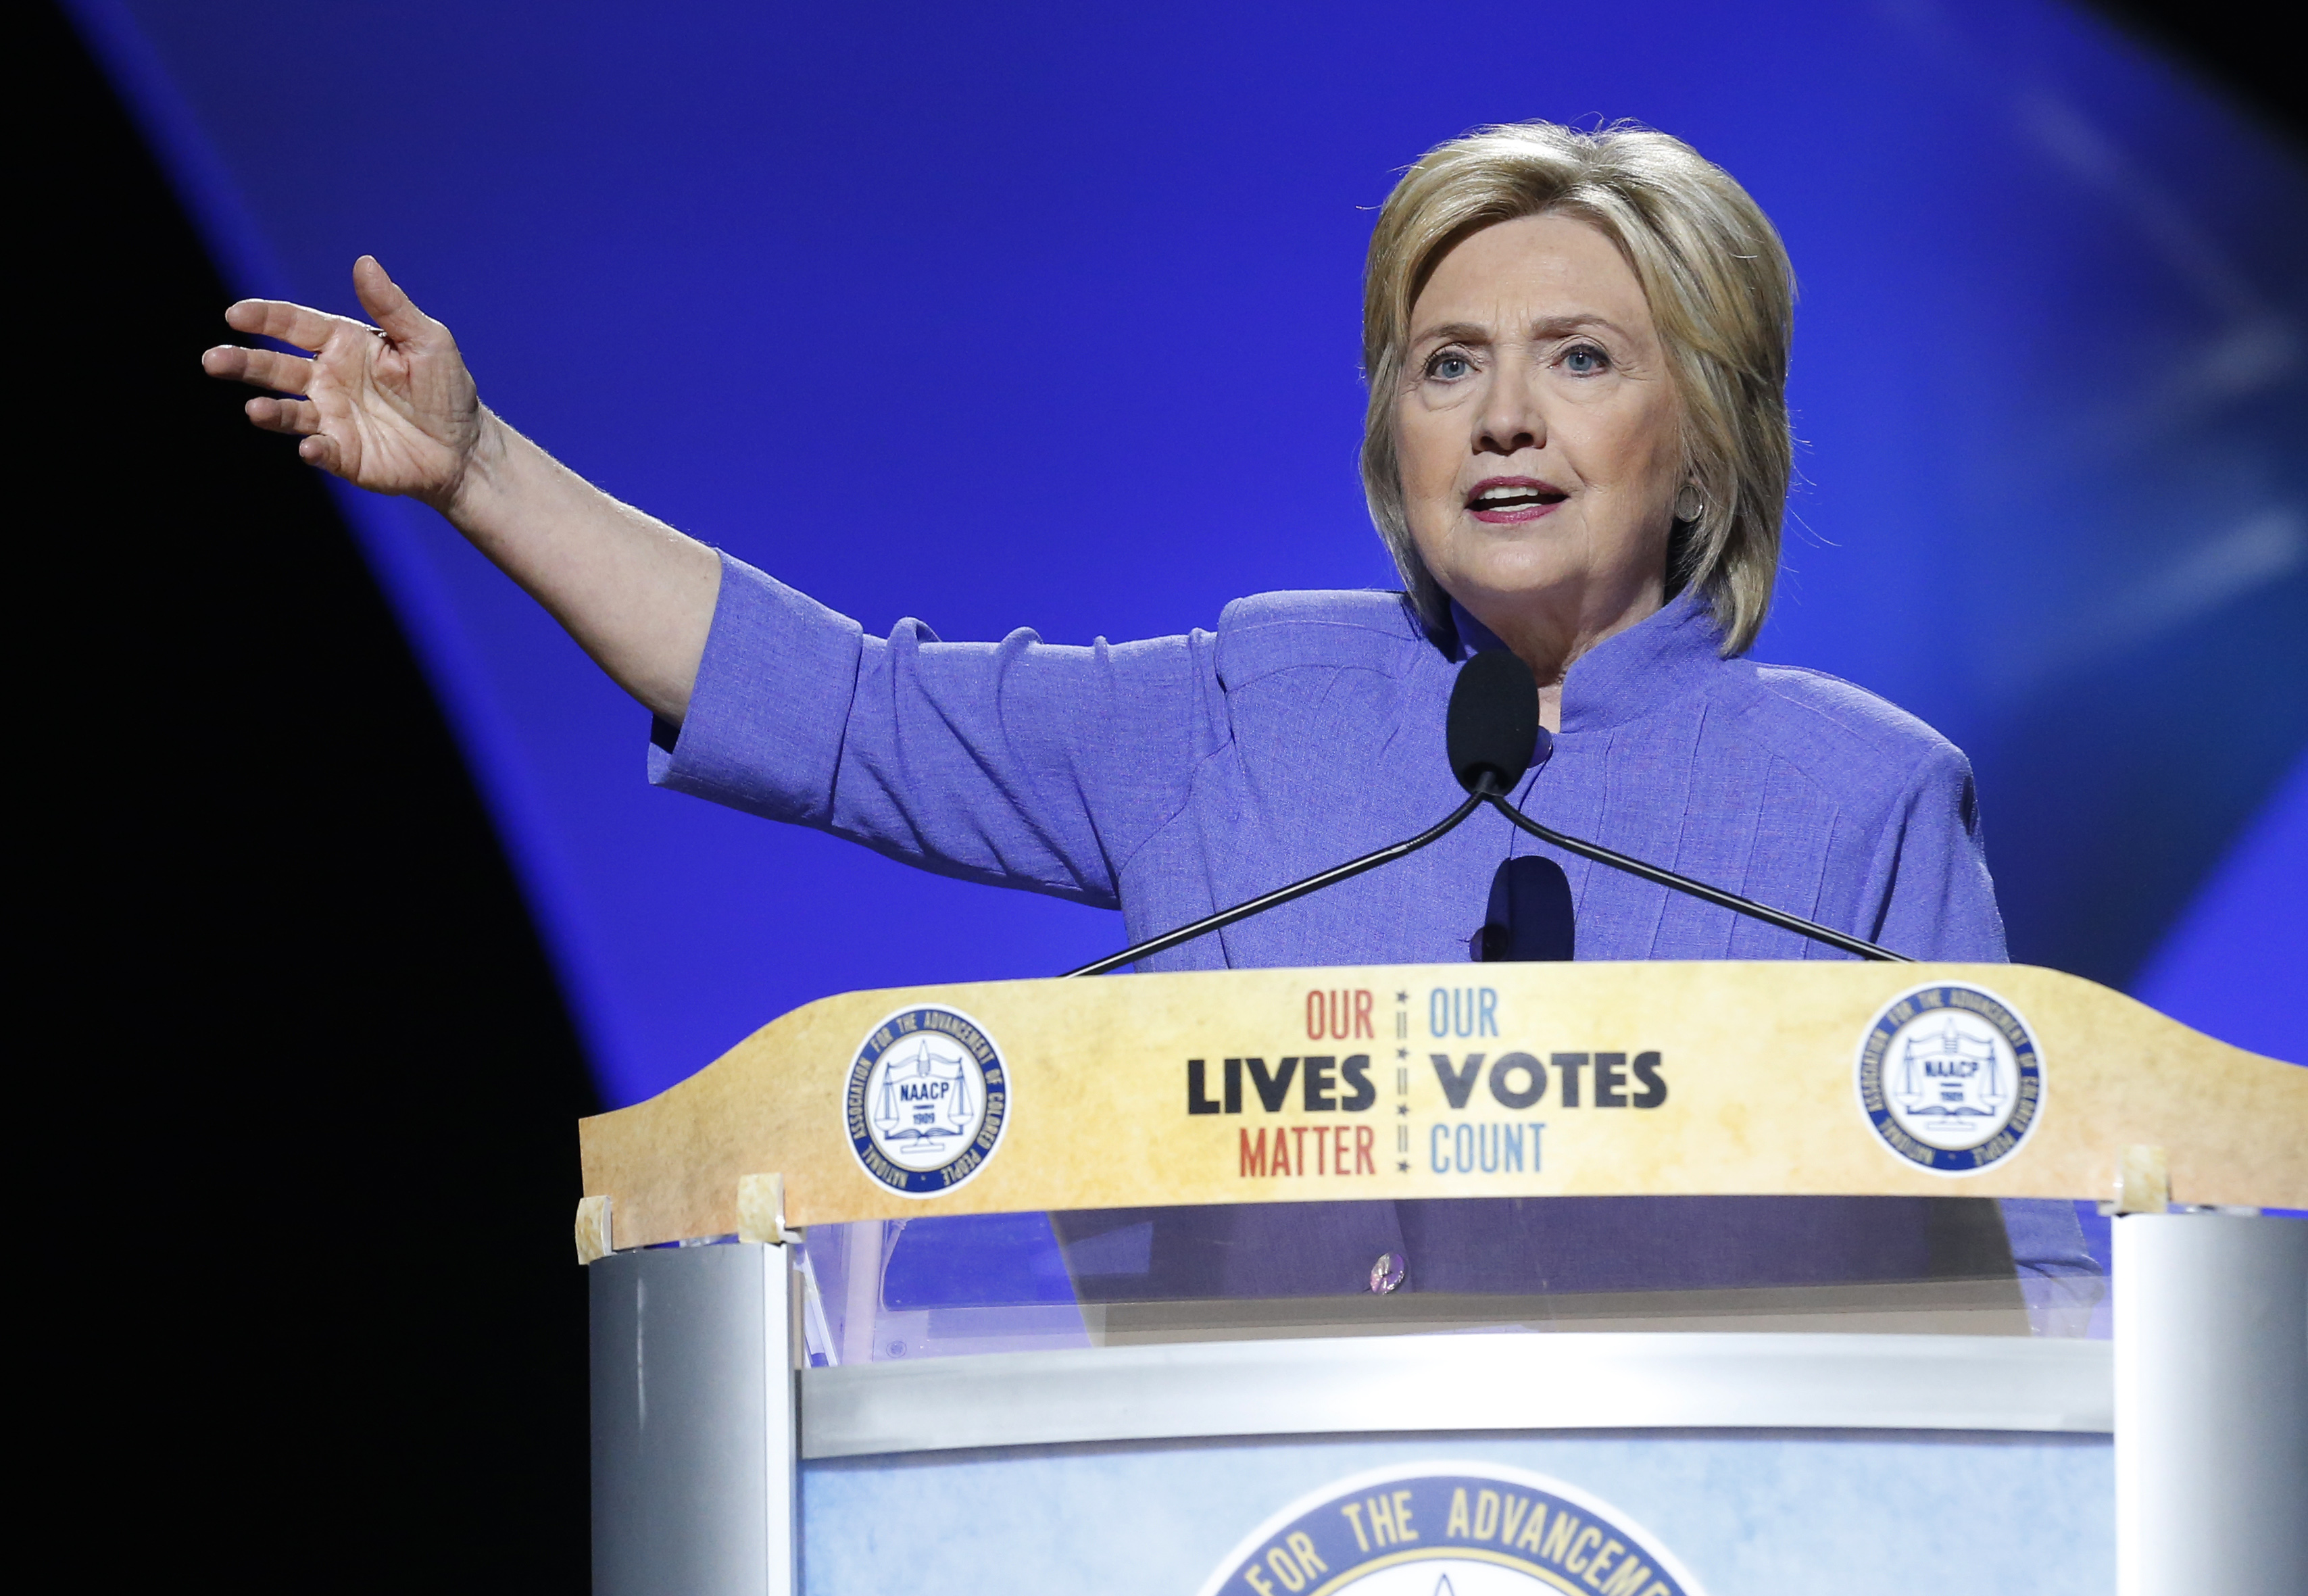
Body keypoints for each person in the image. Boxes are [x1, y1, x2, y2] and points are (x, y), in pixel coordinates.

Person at [204, 120, 2096, 1326]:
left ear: (1701, 445)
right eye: (1449, 368)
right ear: (1396, 435)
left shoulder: (1865, 796)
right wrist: (483, 472)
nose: (1503, 417)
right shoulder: (1242, 711)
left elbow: (2051, 1283)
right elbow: (844, 711)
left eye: (1580, 360)